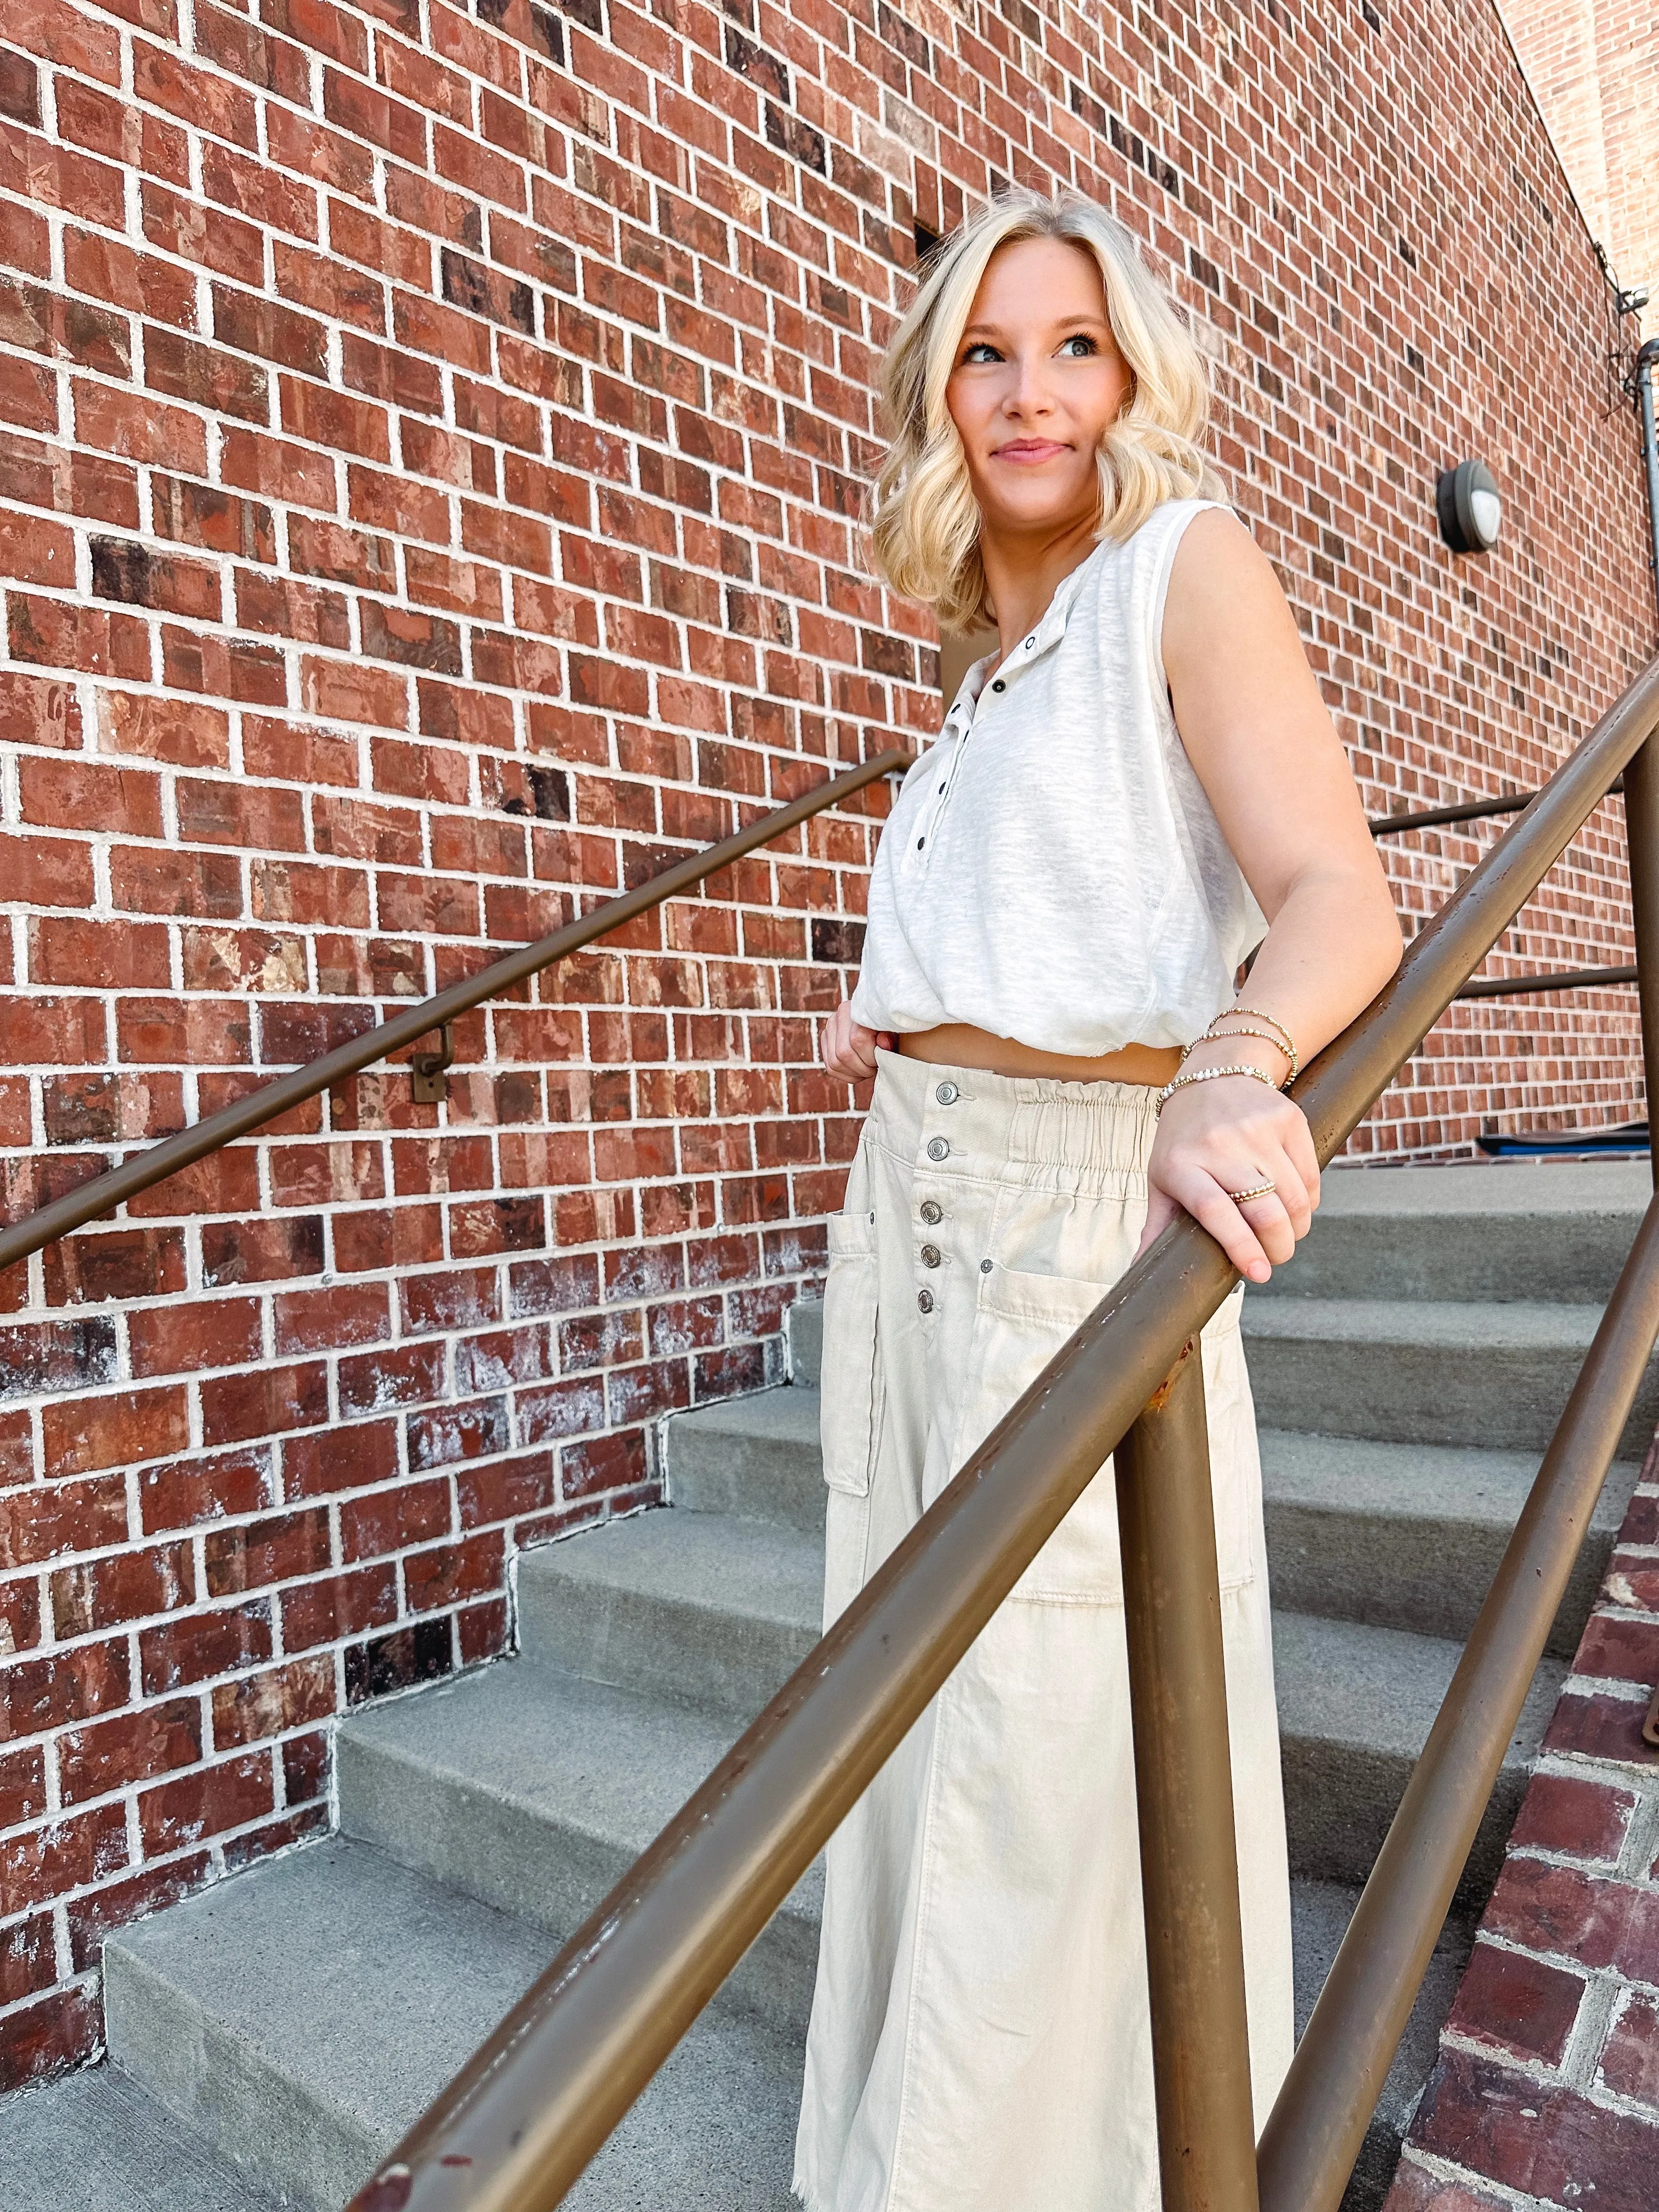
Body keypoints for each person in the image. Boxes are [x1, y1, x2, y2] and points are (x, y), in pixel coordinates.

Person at [793, 187, 1403, 2212]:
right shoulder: (985, 664)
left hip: (1080, 1232)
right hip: (913, 1226)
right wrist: (902, 1019)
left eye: (1072, 345)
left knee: (1056, 1756)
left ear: (1130, 374)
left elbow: (1338, 895)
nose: (1028, 389)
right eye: (986, 349)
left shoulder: (1176, 568)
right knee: (913, 1736)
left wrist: (1234, 1064)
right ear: (940, 395)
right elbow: (1036, 916)